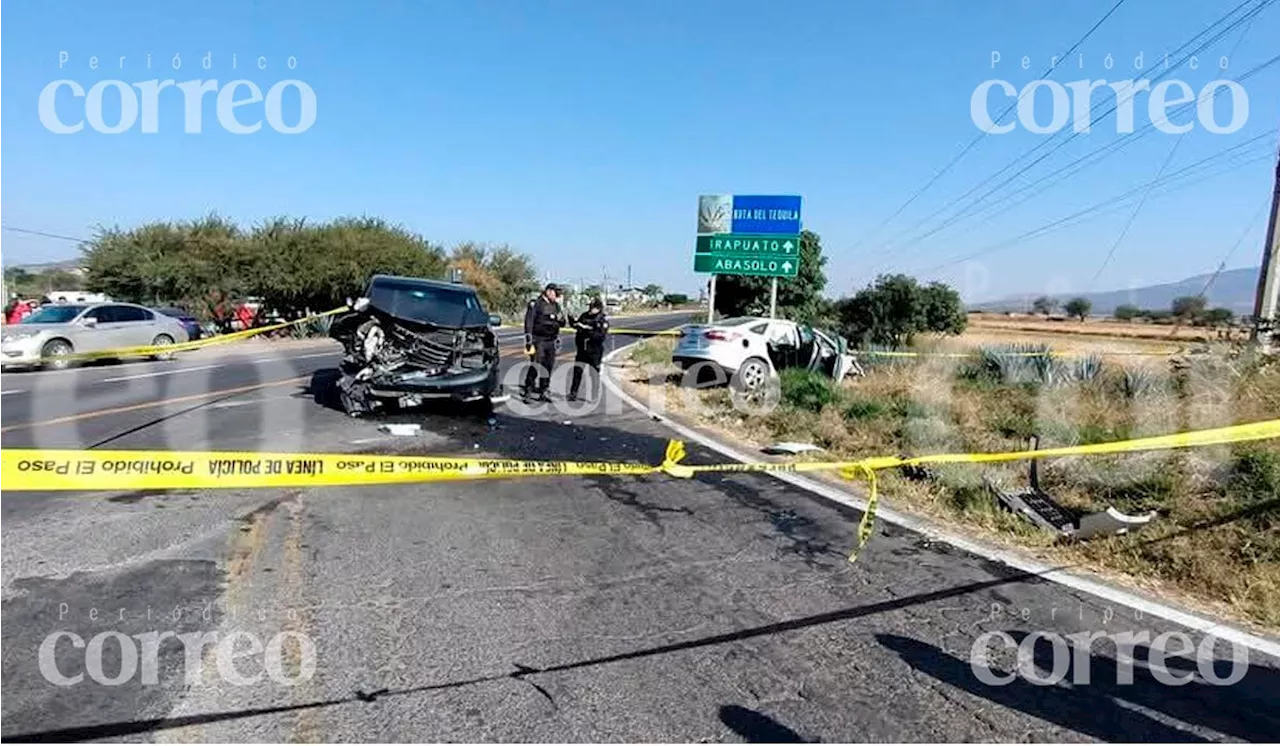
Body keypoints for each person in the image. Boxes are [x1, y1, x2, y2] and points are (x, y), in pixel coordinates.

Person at [522, 283, 565, 401]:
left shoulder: (556, 306)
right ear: (548, 291)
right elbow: (529, 322)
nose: (557, 296)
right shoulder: (536, 304)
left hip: (551, 340)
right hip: (538, 340)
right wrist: (529, 339)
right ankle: (528, 389)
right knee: (536, 365)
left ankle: (544, 390)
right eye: (555, 293)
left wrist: (561, 319)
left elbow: (562, 322)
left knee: (548, 366)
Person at [568, 296, 609, 402]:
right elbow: (576, 325)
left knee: (593, 374)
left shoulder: (602, 319)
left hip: (594, 350)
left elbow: (601, 336)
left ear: (598, 308)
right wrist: (572, 320)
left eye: (593, 307)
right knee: (577, 371)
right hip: (582, 349)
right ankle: (573, 393)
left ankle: (594, 395)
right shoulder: (584, 316)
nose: (590, 309)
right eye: (590, 307)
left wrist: (587, 330)